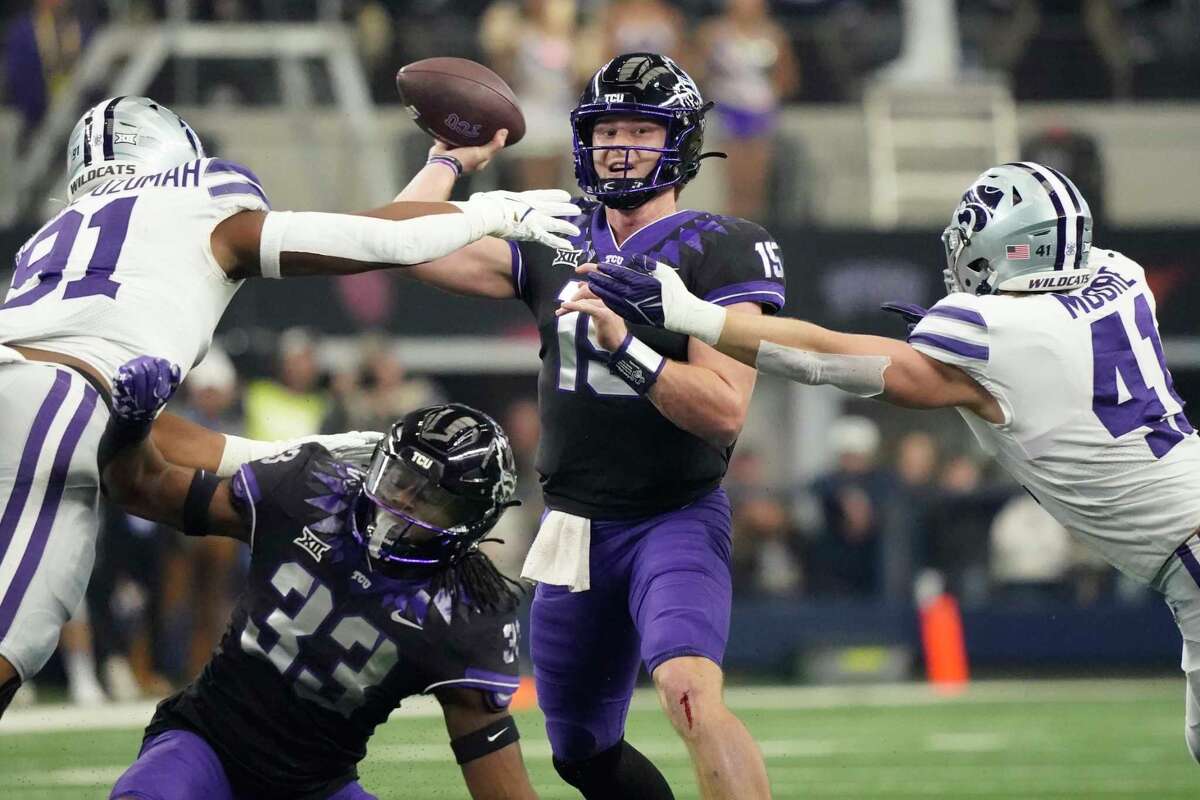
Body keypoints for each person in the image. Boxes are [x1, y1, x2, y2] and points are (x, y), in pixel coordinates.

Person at [568, 161, 1200, 762]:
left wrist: (693, 316)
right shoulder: (1120, 278)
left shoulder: (997, 331)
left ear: (1012, 250)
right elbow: (1102, 287)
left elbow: (833, 356)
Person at [0, 94, 580, 715]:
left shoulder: (57, 239)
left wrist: (300, 452)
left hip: (43, 404)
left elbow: (114, 419)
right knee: (11, 644)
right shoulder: (202, 194)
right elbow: (373, 239)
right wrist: (482, 212)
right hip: (49, 411)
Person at [395, 53, 784, 799]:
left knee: (690, 694)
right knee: (579, 749)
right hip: (574, 523)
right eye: (608, 129)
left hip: (672, 515)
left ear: (682, 144)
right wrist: (450, 159)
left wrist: (628, 349)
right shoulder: (554, 229)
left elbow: (724, 407)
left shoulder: (724, 244)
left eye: (642, 129)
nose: (620, 146)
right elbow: (403, 246)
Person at [101, 356, 534, 800]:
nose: (400, 502)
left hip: (313, 786)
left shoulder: (463, 612)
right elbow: (141, 488)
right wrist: (129, 426)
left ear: (471, 523)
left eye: (431, 500)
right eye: (400, 479)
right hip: (207, 743)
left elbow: (504, 789)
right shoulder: (313, 492)